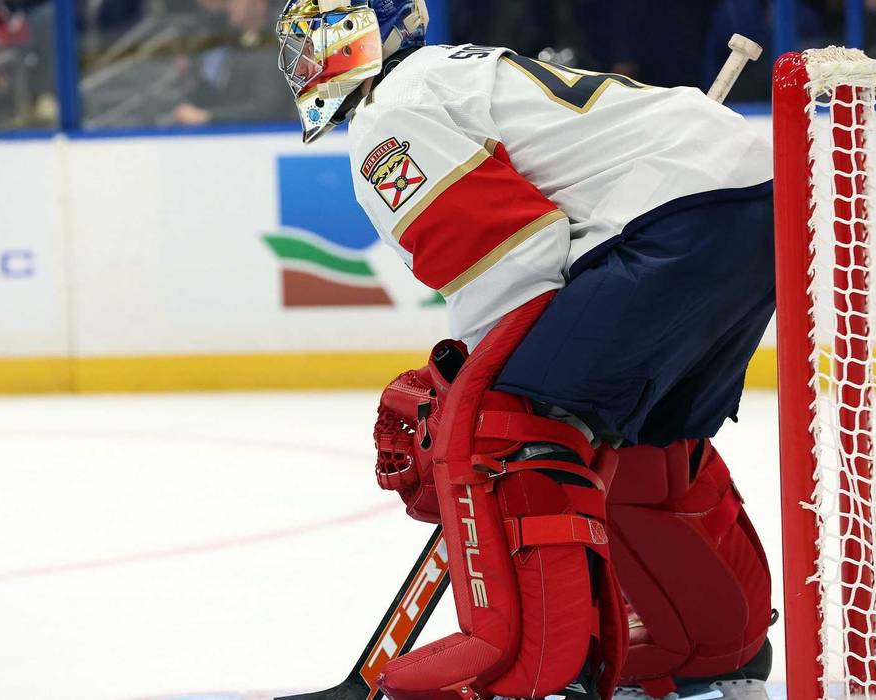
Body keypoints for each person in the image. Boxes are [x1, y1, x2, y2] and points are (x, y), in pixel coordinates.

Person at [274, 2, 776, 699]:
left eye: (307, 43)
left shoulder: (390, 115)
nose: (297, 64)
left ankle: (547, 666)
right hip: (749, 205)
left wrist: (467, 381)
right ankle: (711, 646)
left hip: (669, 221)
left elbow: (511, 256)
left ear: (356, 36)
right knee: (648, 444)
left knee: (505, 430)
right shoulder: (449, 73)